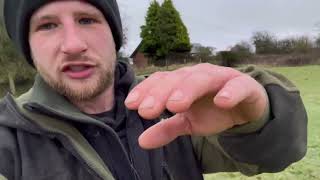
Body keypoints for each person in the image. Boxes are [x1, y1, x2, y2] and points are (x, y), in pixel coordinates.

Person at [0, 0, 307, 180]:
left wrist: (257, 118)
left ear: (114, 35)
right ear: (28, 46)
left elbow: (279, 154)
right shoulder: (10, 135)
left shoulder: (173, 104)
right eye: (47, 26)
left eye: (87, 19)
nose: (73, 45)